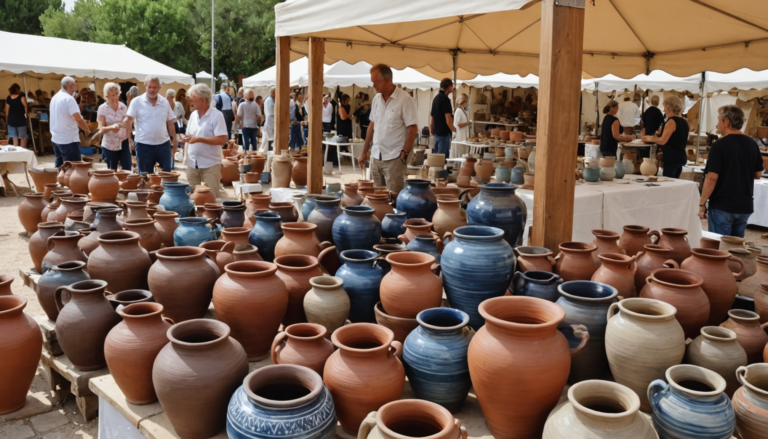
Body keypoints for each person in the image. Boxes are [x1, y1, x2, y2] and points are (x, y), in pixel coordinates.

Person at [698, 105, 765, 237]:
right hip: (744, 205)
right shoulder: (752, 143)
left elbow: (711, 178)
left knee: (718, 249)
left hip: (723, 205)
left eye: (718, 119)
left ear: (726, 121)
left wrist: (702, 203)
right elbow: (758, 174)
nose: (717, 123)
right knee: (735, 249)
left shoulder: (720, 145)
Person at [359, 64, 418, 194]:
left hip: (394, 158)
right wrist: (364, 152)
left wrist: (404, 153)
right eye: (372, 82)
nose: (373, 85)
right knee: (377, 199)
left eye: (376, 82)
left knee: (394, 199)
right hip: (376, 156)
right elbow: (371, 126)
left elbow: (413, 128)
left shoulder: (405, 99)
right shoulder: (376, 99)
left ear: (387, 80)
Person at [121, 75, 177, 173]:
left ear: (159, 88)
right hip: (144, 146)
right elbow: (129, 120)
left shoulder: (164, 102)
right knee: (145, 177)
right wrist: (128, 138)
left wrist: (175, 142)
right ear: (145, 86)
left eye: (155, 87)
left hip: (163, 145)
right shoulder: (136, 101)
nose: (152, 90)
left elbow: (170, 123)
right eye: (149, 87)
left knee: (168, 176)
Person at [184, 84, 228, 197]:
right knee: (193, 196)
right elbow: (189, 136)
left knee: (212, 197)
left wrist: (199, 139)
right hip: (192, 163)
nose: (191, 103)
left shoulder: (217, 115)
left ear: (202, 100)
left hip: (210, 164)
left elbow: (223, 139)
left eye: (193, 100)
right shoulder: (193, 115)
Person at [641, 96, 689, 178]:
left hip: (672, 158)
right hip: (680, 157)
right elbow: (677, 137)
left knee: (668, 184)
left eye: (665, 107)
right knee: (675, 183)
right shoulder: (684, 121)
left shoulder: (671, 121)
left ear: (670, 108)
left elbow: (663, 141)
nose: (664, 110)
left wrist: (651, 138)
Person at [50, 77, 90, 167]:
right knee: (73, 168)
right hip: (68, 139)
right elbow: (78, 118)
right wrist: (87, 129)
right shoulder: (69, 99)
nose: (76, 86)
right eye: (75, 84)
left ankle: (58, 180)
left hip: (57, 137)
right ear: (71, 86)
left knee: (60, 166)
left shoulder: (55, 97)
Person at [97, 83, 131, 171]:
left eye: (117, 94)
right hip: (109, 144)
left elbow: (127, 125)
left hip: (123, 142)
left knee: (127, 169)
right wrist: (111, 127)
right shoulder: (102, 108)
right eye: (112, 95)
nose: (115, 97)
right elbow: (101, 129)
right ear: (106, 95)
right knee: (112, 171)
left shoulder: (123, 107)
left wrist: (130, 141)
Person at [430, 78, 455, 156]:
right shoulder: (445, 99)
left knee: (436, 158)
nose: (453, 87)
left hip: (436, 132)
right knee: (442, 158)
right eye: (452, 85)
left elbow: (432, 117)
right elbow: (448, 118)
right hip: (443, 133)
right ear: (449, 86)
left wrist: (431, 128)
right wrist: (454, 131)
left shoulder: (435, 98)